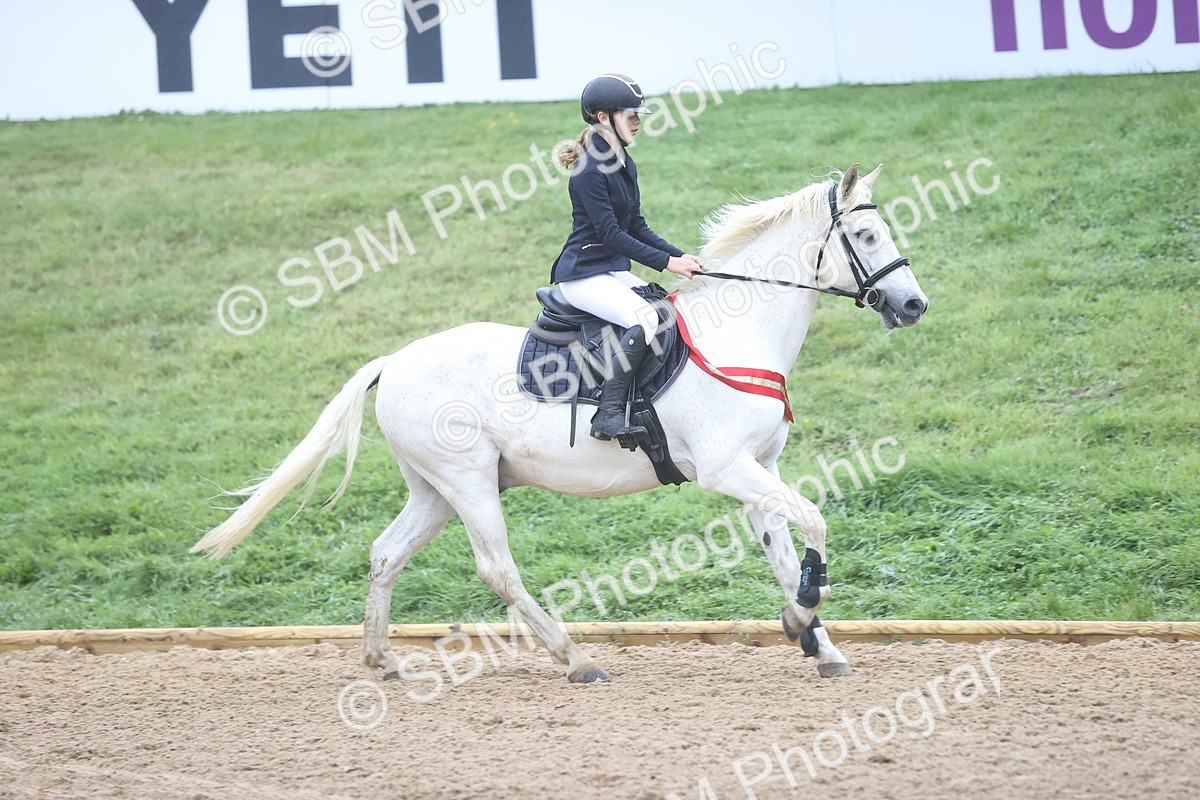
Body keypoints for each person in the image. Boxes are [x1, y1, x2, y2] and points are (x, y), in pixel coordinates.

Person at [550, 73, 704, 443]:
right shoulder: (588, 171)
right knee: (644, 317)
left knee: (663, 306)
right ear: (604, 117)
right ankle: (608, 413)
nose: (638, 120)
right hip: (582, 275)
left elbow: (636, 225)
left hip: (608, 270)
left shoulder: (623, 162)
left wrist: (680, 254)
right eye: (630, 114)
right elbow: (612, 235)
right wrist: (669, 265)